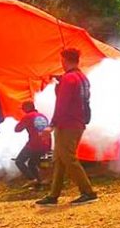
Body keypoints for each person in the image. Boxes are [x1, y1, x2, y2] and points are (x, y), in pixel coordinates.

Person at [35, 48, 97, 206]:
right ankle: (53, 195)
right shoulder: (82, 77)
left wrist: (51, 125)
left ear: (65, 60)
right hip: (78, 122)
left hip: (67, 124)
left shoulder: (68, 80)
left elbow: (62, 104)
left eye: (61, 60)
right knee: (59, 159)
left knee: (68, 158)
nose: (60, 63)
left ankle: (88, 191)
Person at [14, 101, 50, 188]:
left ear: (27, 108)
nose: (22, 110)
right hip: (46, 144)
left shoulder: (28, 116)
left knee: (19, 161)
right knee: (32, 163)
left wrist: (24, 122)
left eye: (23, 108)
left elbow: (17, 129)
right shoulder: (43, 116)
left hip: (34, 144)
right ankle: (38, 182)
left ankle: (31, 179)